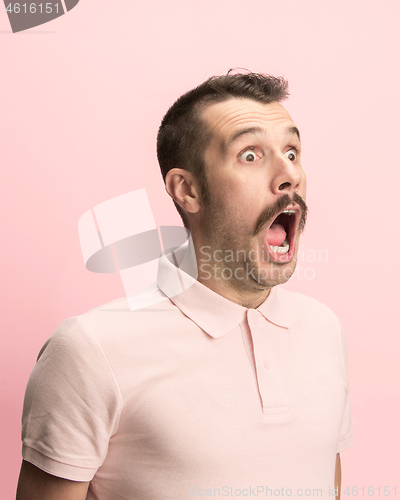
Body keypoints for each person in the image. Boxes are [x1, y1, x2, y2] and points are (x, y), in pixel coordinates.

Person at [16, 71, 353, 500]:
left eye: (292, 151)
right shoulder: (90, 349)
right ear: (187, 190)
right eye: (251, 155)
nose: (289, 174)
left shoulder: (323, 329)